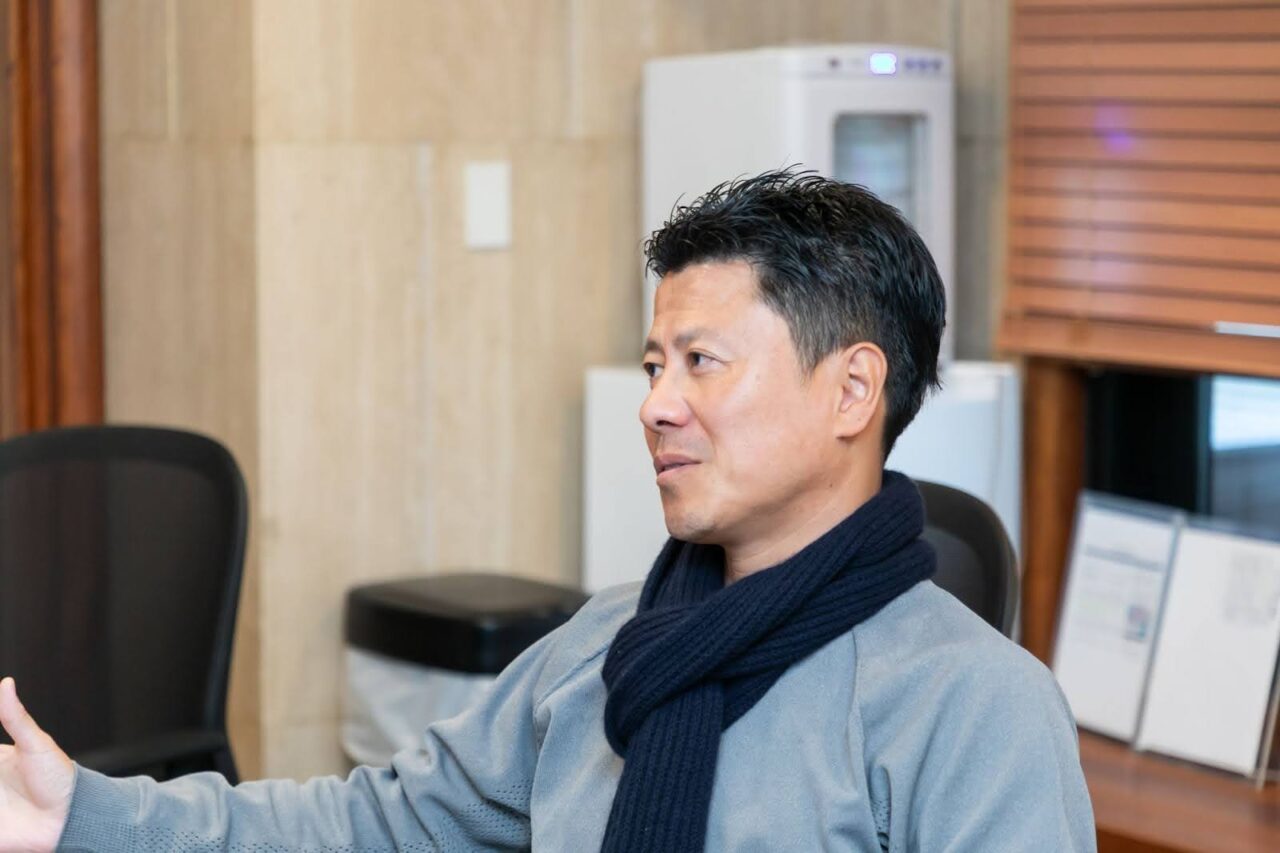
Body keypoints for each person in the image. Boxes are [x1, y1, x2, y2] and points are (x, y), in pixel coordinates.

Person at [0, 169, 1095, 852]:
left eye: (702, 362)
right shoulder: (603, 646)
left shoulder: (974, 708)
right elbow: (381, 823)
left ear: (852, 390)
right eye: (654, 365)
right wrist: (87, 816)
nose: (656, 405)